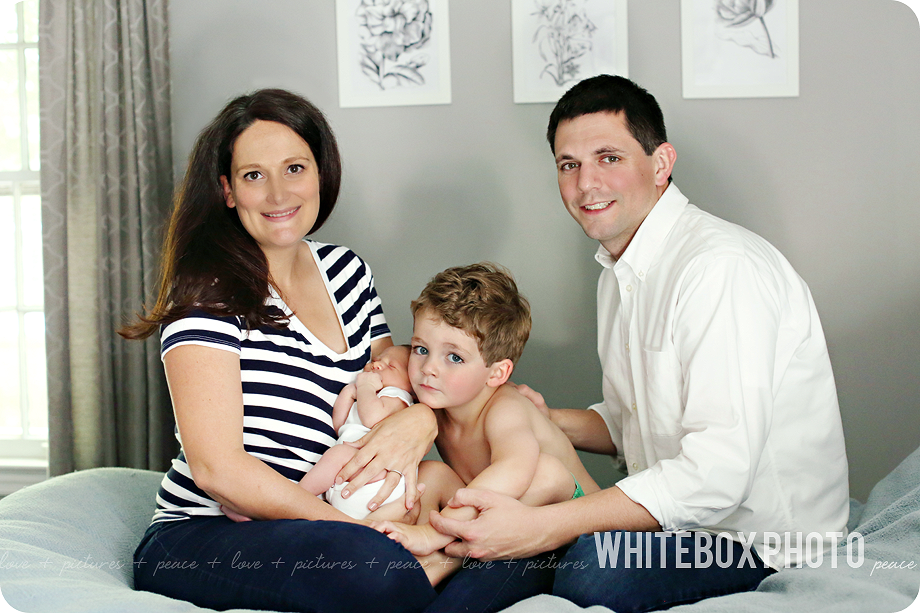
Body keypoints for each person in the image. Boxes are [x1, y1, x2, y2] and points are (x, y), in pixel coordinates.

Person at [426, 75, 850, 612]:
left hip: (760, 542)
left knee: (592, 571)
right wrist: (538, 419)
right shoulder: (620, 271)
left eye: (609, 157)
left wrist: (542, 527)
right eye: (568, 165)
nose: (586, 185)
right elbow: (640, 421)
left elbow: (717, 474)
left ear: (660, 162)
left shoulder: (719, 269)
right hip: (687, 527)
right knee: (540, 546)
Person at [119, 88, 553, 613]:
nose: (279, 193)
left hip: (334, 517)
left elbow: (400, 380)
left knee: (517, 557)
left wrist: (423, 422)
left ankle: (433, 574)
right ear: (228, 191)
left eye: (295, 168)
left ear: (320, 173)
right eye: (254, 175)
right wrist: (356, 531)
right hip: (205, 535)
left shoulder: (348, 273)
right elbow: (219, 472)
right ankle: (418, 574)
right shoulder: (207, 294)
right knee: (374, 573)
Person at [373, 263, 600, 581]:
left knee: (546, 472)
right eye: (422, 349)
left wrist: (440, 527)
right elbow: (392, 360)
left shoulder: (506, 407)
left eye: (454, 357)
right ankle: (399, 552)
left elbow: (515, 470)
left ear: (497, 373)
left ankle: (440, 546)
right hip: (494, 516)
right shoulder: (438, 395)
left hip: (574, 525)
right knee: (432, 474)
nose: (429, 368)